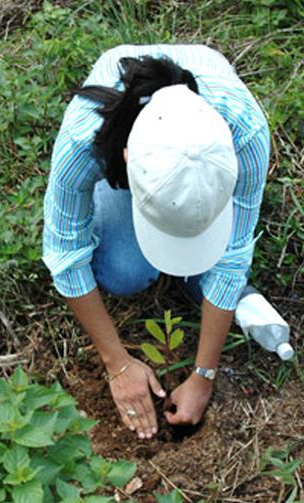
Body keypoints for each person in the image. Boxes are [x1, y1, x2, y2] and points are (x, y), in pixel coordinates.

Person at [42, 44, 270, 440]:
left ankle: (185, 256)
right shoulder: (84, 141)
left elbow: (232, 257)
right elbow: (65, 255)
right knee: (123, 271)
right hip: (119, 118)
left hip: (205, 72)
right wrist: (117, 363)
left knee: (200, 268)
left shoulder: (244, 134)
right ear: (128, 159)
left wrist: (203, 375)